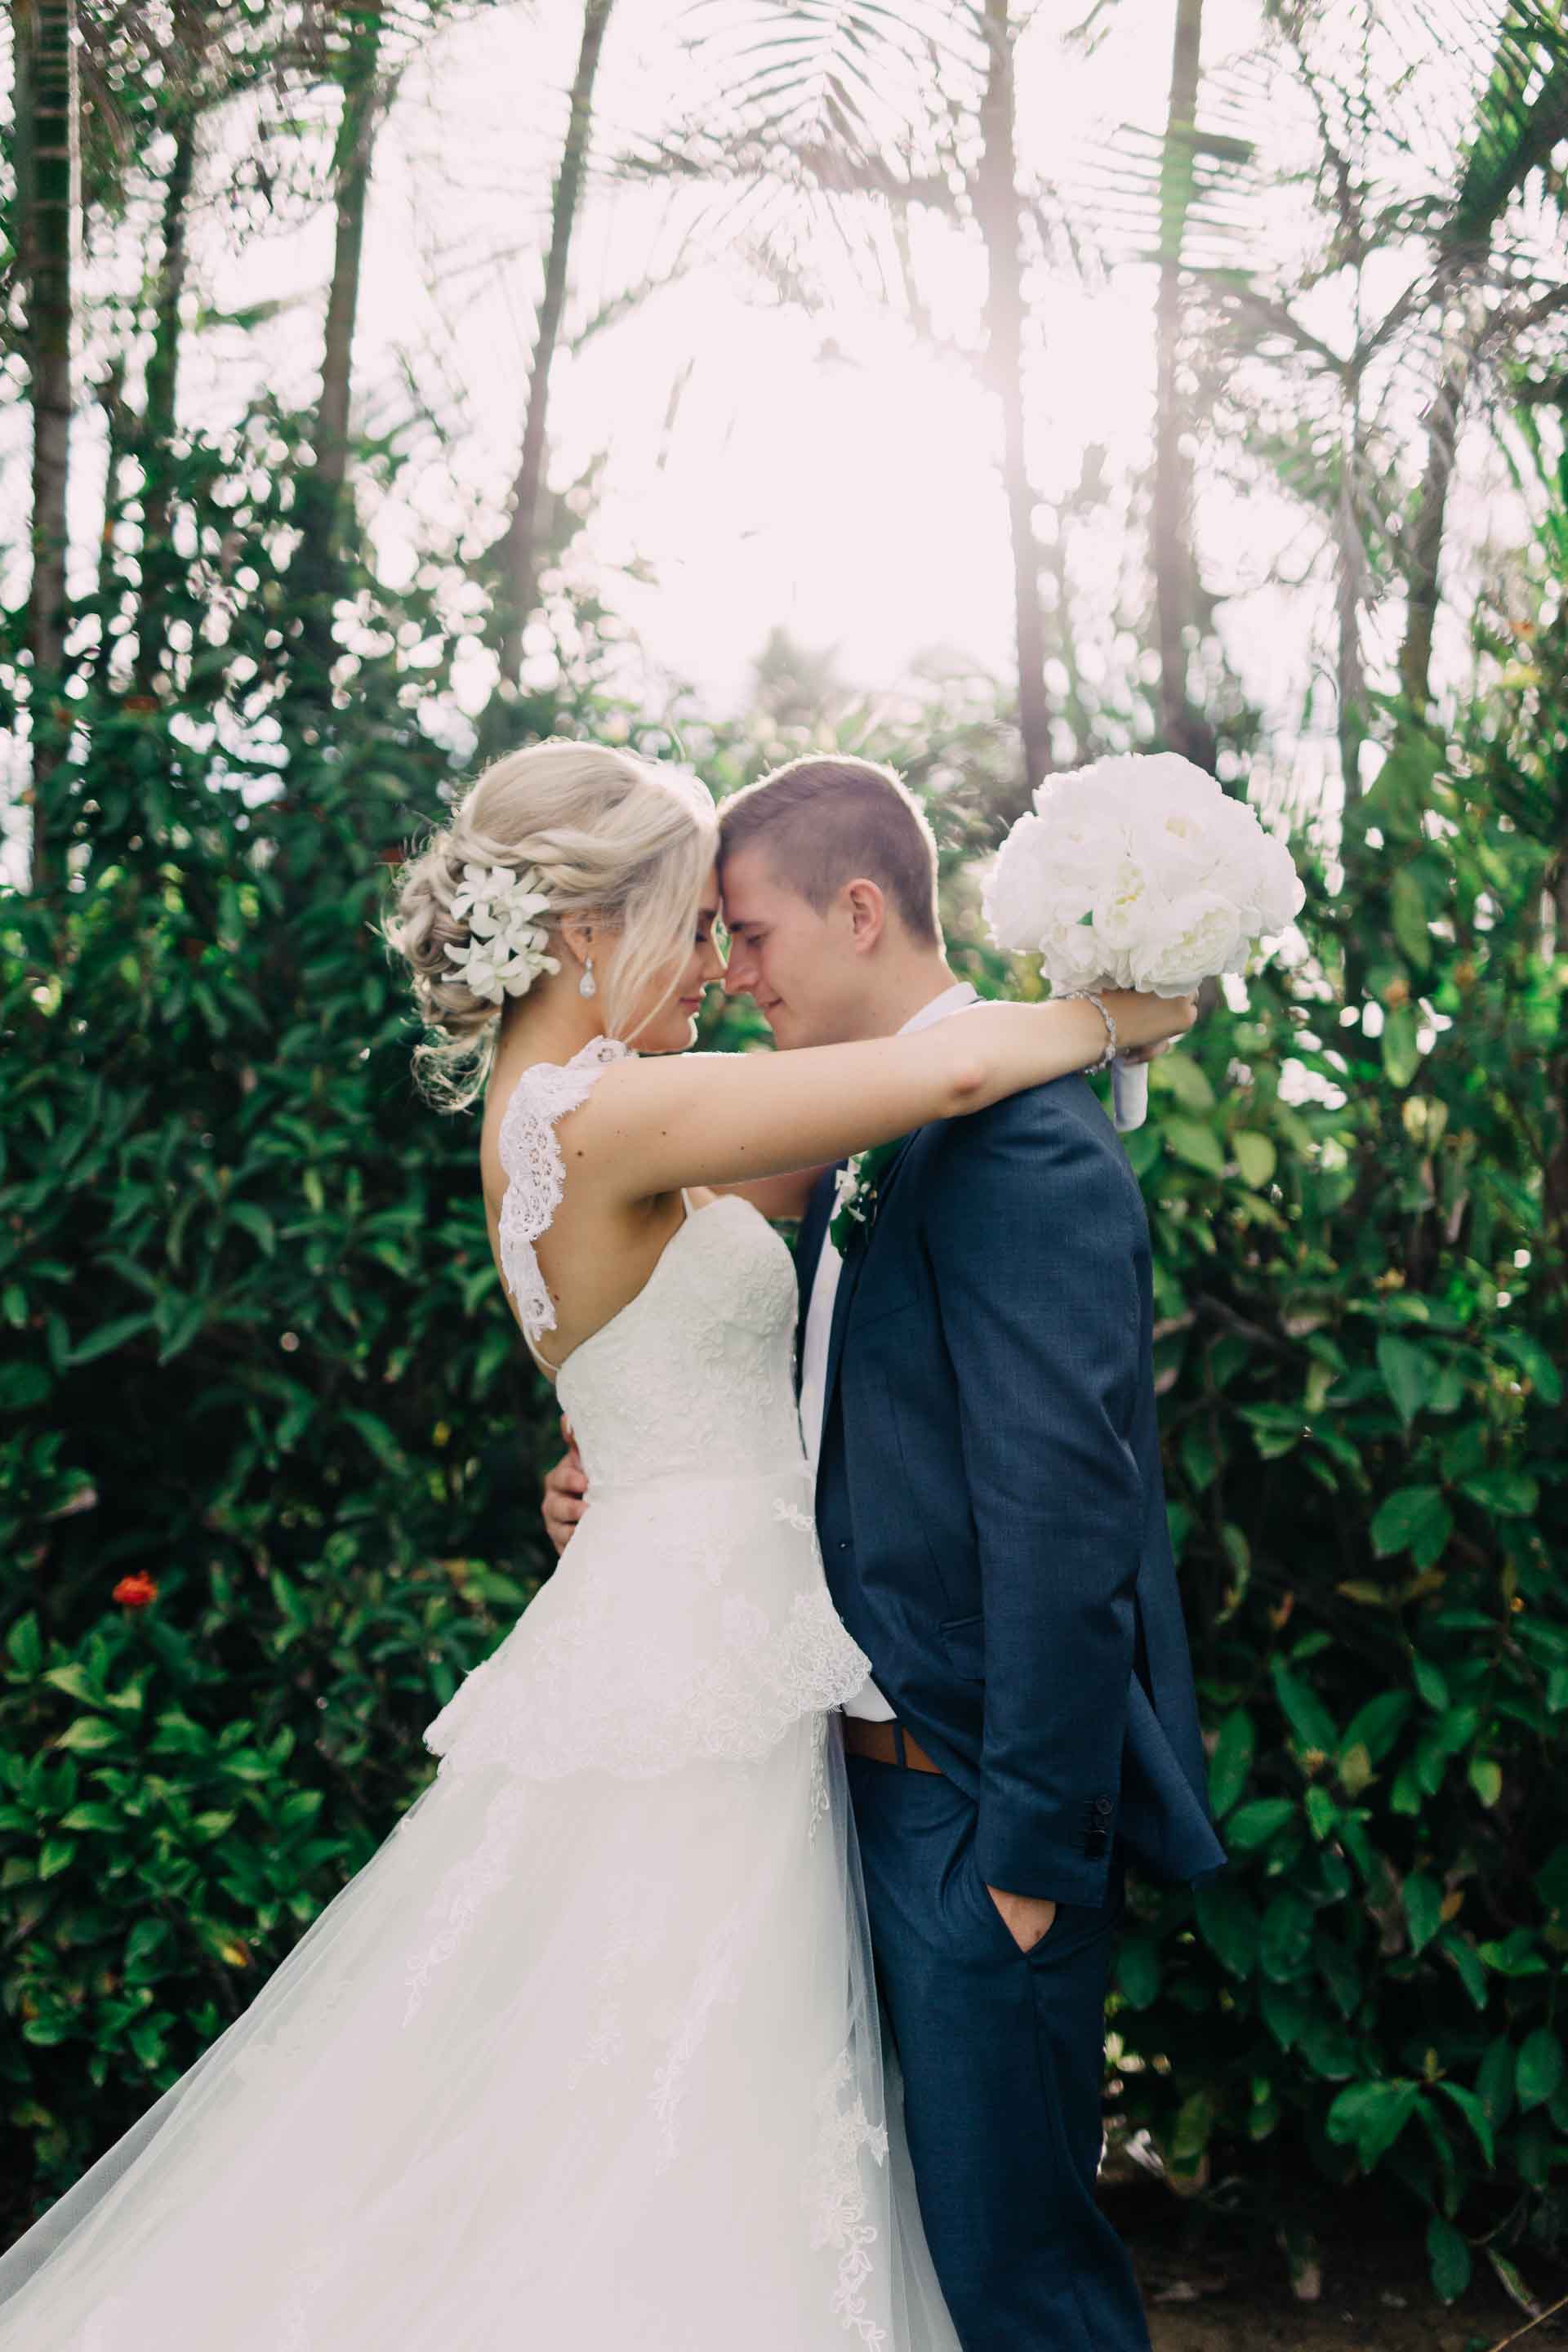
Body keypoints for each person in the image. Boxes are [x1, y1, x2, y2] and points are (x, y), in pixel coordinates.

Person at [0, 738, 1196, 2351]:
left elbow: (848, 1169)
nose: (712, 961)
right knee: (687, 2112)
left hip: (695, 1628)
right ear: (583, 934)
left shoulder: (563, 1121)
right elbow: (946, 1078)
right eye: (688, 926)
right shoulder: (602, 1109)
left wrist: (608, 1477)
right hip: (702, 1679)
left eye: (732, 931)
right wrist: (1132, 1015)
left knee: (657, 2104)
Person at [545, 752, 1228, 2352]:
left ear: (860, 909)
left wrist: (1031, 1868)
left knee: (1020, 2289)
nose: (732, 975)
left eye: (754, 935)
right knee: (896, 2269)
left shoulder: (1023, 1146)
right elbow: (833, 1428)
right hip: (837, 1789)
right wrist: (624, 1487)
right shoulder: (867, 1132)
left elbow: (1070, 1522)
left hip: (972, 1816)